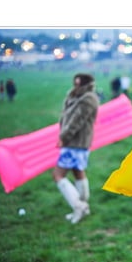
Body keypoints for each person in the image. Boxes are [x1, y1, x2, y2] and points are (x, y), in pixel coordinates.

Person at [52, 73, 99, 224]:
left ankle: (79, 206)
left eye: (78, 83)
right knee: (78, 172)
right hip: (79, 144)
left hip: (75, 143)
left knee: (58, 175)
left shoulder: (88, 99)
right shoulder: (79, 97)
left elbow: (75, 122)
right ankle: (84, 207)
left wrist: (63, 137)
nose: (75, 86)